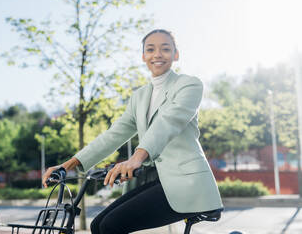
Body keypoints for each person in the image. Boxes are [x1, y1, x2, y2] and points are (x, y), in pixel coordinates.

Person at [42, 29, 223, 234]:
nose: (157, 54)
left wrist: (136, 157)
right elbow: (114, 134)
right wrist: (68, 165)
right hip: (156, 181)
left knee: (111, 226)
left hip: (187, 183)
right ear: (143, 56)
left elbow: (169, 122)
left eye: (165, 49)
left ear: (176, 54)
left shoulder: (189, 85)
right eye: (150, 49)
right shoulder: (139, 97)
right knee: (98, 226)